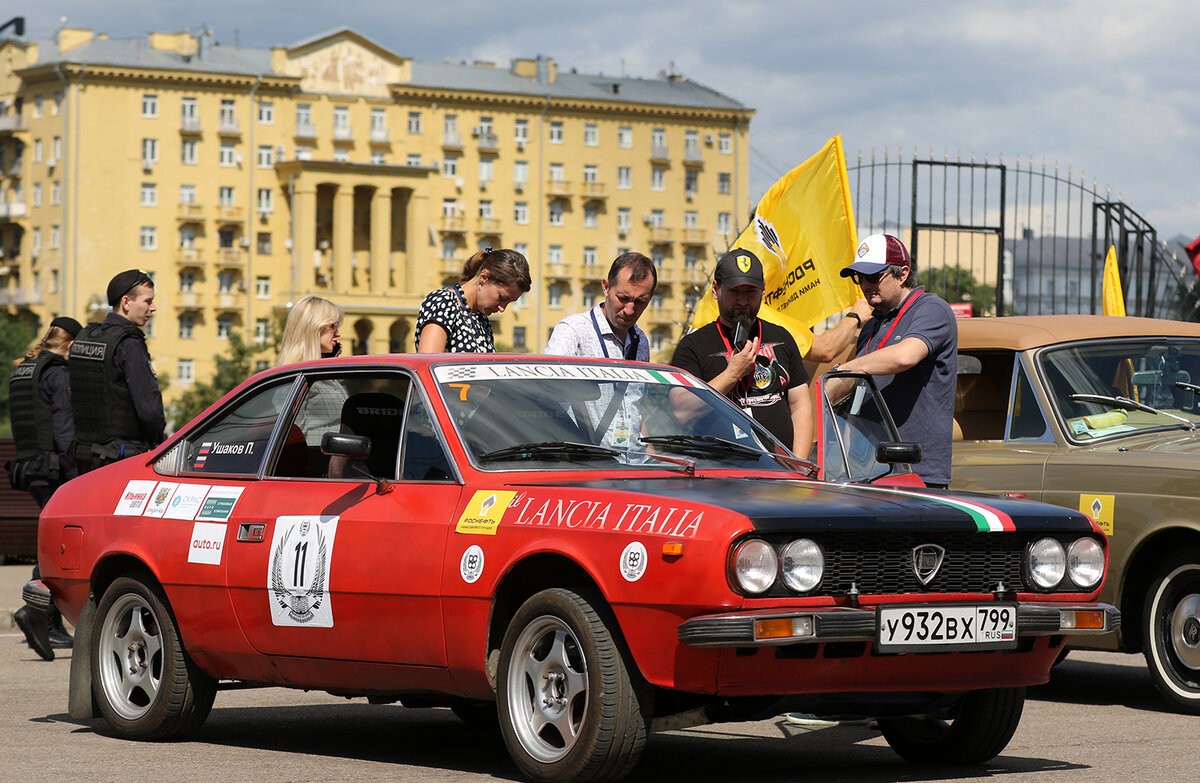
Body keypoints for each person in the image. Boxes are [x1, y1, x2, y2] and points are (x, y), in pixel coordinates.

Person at [834, 233, 957, 488]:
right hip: (868, 471)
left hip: (917, 473)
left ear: (902, 274)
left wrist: (846, 368)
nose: (865, 285)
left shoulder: (931, 309)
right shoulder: (871, 325)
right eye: (860, 278)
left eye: (873, 277)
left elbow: (904, 356)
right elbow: (853, 387)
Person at [671, 249, 813, 457]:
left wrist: (800, 466)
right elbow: (681, 412)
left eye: (750, 292)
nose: (743, 301)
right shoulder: (693, 345)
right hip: (719, 476)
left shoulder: (782, 337)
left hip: (780, 474)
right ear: (715, 289)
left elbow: (800, 405)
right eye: (734, 291)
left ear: (763, 293)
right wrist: (732, 374)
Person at [7, 316, 82, 660]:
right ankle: (40, 616)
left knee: (51, 545)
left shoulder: (24, 369)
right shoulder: (58, 373)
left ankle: (47, 620)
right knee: (59, 547)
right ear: (69, 346)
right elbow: (65, 433)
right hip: (54, 470)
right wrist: (77, 478)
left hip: (30, 468)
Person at [545, 252, 656, 449]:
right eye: (623, 298)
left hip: (635, 464)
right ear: (606, 286)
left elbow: (635, 406)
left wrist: (652, 455)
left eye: (640, 301)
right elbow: (546, 393)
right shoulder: (573, 331)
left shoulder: (642, 342)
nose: (630, 310)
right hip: (590, 463)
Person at [68, 269, 165, 473]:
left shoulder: (86, 337)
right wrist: (159, 443)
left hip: (83, 456)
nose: (153, 308)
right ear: (126, 302)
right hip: (121, 459)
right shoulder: (129, 343)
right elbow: (149, 408)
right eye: (148, 301)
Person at [416, 247, 531, 353]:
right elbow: (428, 364)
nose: (502, 308)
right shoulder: (443, 302)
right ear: (484, 278)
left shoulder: (482, 319)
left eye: (509, 302)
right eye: (501, 298)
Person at [277, 294, 348, 447]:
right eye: (333, 326)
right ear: (314, 327)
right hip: (316, 464)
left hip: (338, 462)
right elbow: (291, 441)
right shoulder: (294, 378)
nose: (338, 334)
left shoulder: (320, 374)